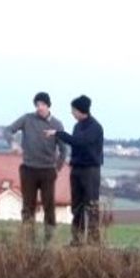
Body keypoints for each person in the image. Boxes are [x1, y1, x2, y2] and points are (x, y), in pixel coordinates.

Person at [4, 92, 67, 246]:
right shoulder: (27, 119)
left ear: (48, 106)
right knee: (28, 206)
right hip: (28, 170)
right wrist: (13, 143)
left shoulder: (57, 125)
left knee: (49, 206)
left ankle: (49, 239)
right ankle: (28, 239)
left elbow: (64, 149)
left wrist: (57, 168)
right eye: (37, 105)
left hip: (47, 171)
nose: (39, 108)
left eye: (42, 104)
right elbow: (7, 130)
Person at [46, 95, 104, 246]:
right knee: (77, 206)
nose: (72, 113)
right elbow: (75, 143)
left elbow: (80, 142)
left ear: (80, 110)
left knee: (91, 205)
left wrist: (58, 133)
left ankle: (93, 241)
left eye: (73, 110)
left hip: (90, 170)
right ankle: (77, 239)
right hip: (77, 168)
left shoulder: (95, 127)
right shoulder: (77, 126)